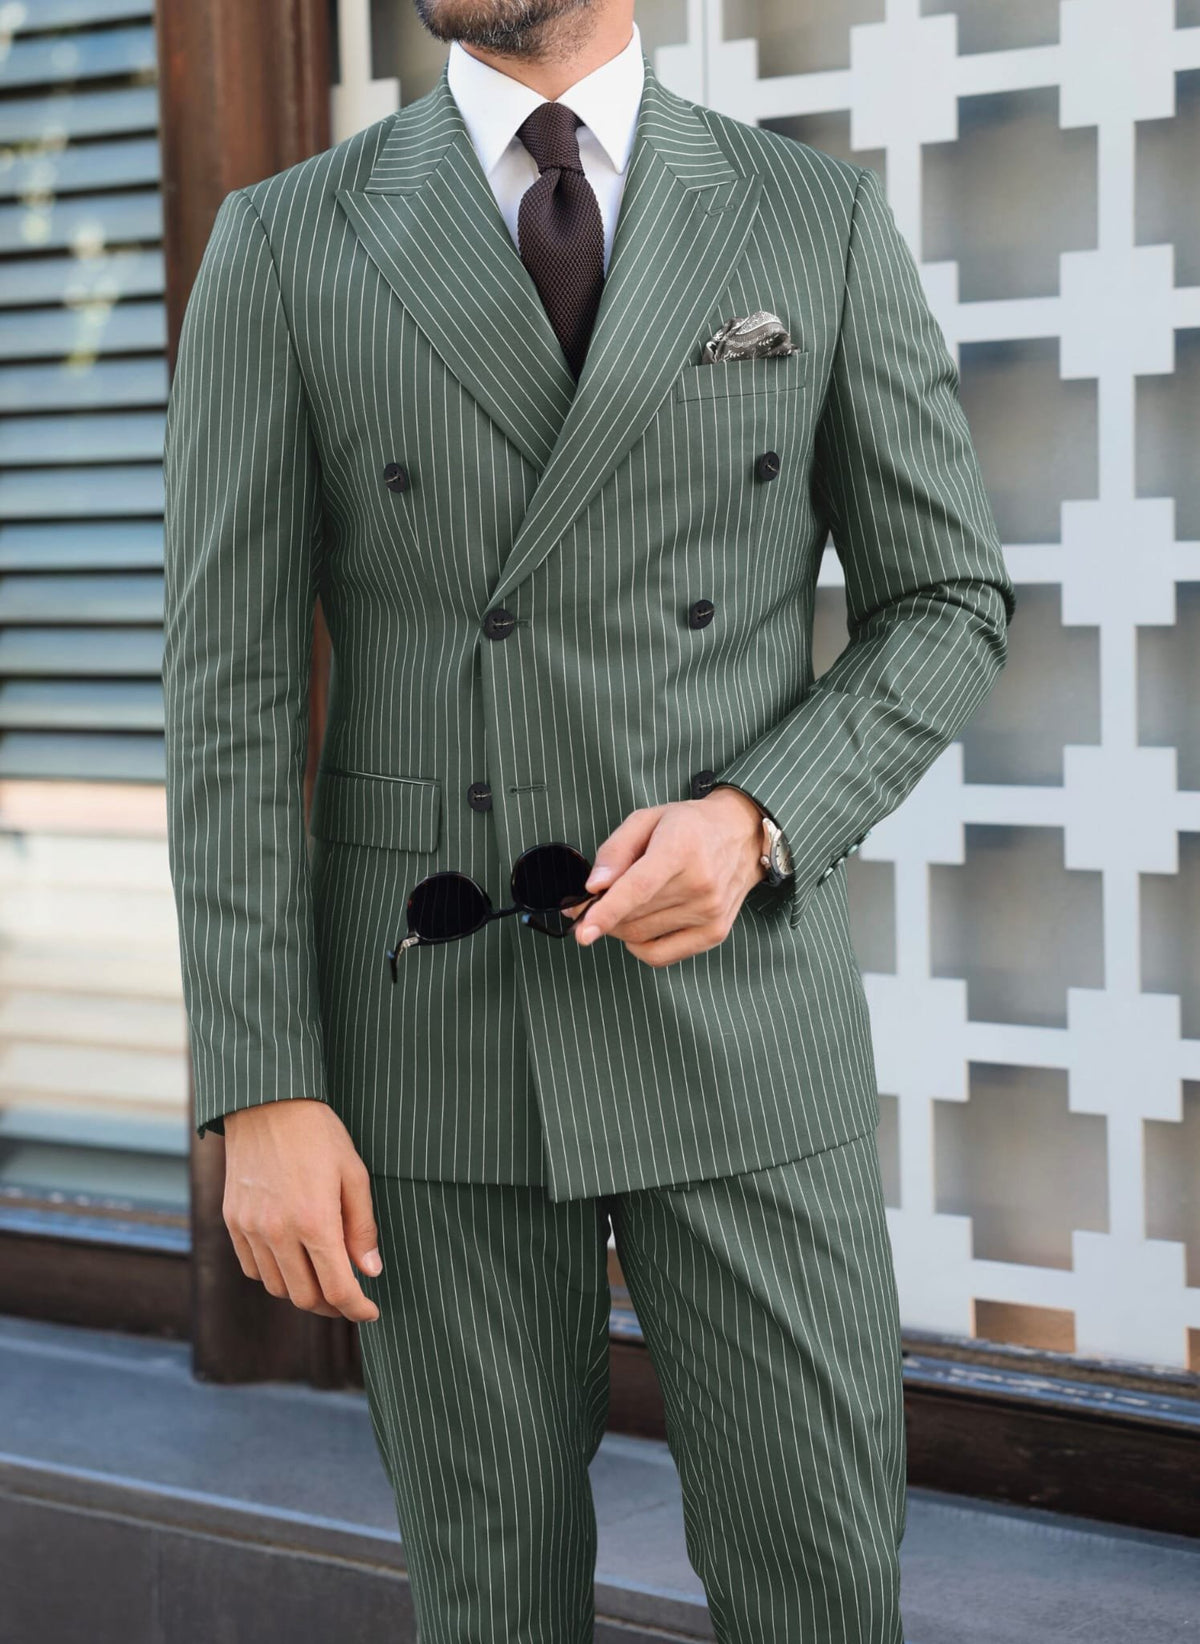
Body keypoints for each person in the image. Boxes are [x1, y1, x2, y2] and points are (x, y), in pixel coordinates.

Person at [161, 2, 1015, 1638]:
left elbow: (947, 601)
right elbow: (231, 699)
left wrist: (760, 815)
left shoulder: (810, 218)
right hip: (433, 1025)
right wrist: (261, 1081)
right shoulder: (284, 242)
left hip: (741, 1014)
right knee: (491, 1600)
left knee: (822, 1584)